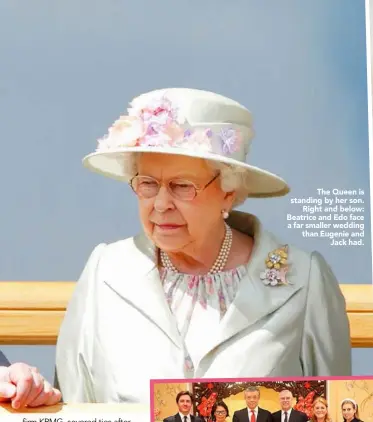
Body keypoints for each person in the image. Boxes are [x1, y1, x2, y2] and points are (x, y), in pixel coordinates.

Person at [55, 87, 351, 403]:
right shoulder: (106, 271)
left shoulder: (302, 278)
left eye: (182, 186)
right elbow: (73, 401)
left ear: (229, 191)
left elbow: (335, 408)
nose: (160, 204)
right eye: (148, 184)